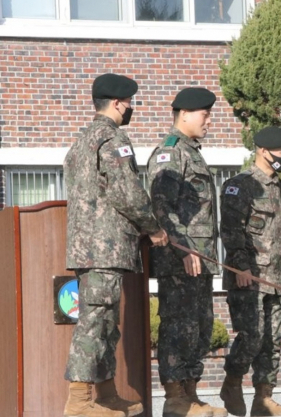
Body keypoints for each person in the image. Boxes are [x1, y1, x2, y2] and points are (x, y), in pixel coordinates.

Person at [64, 73, 169, 417]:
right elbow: (126, 190)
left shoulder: (80, 142)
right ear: (118, 103)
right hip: (105, 248)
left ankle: (106, 395)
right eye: (129, 103)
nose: (131, 109)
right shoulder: (112, 138)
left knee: (106, 322)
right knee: (95, 322)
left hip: (89, 248)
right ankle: (79, 403)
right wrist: (153, 227)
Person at [147, 87, 227, 417]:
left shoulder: (193, 153)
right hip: (180, 258)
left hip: (200, 259)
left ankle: (191, 394)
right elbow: (159, 207)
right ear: (183, 114)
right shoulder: (170, 153)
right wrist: (181, 249)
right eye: (204, 115)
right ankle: (175, 397)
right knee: (177, 326)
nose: (209, 120)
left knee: (200, 326)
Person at [219, 126, 281, 417]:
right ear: (263, 151)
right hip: (249, 277)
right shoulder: (240, 185)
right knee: (252, 335)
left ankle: (264, 398)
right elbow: (230, 230)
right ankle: (232, 382)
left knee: (272, 341)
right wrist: (240, 265)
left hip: (275, 278)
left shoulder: (279, 187)